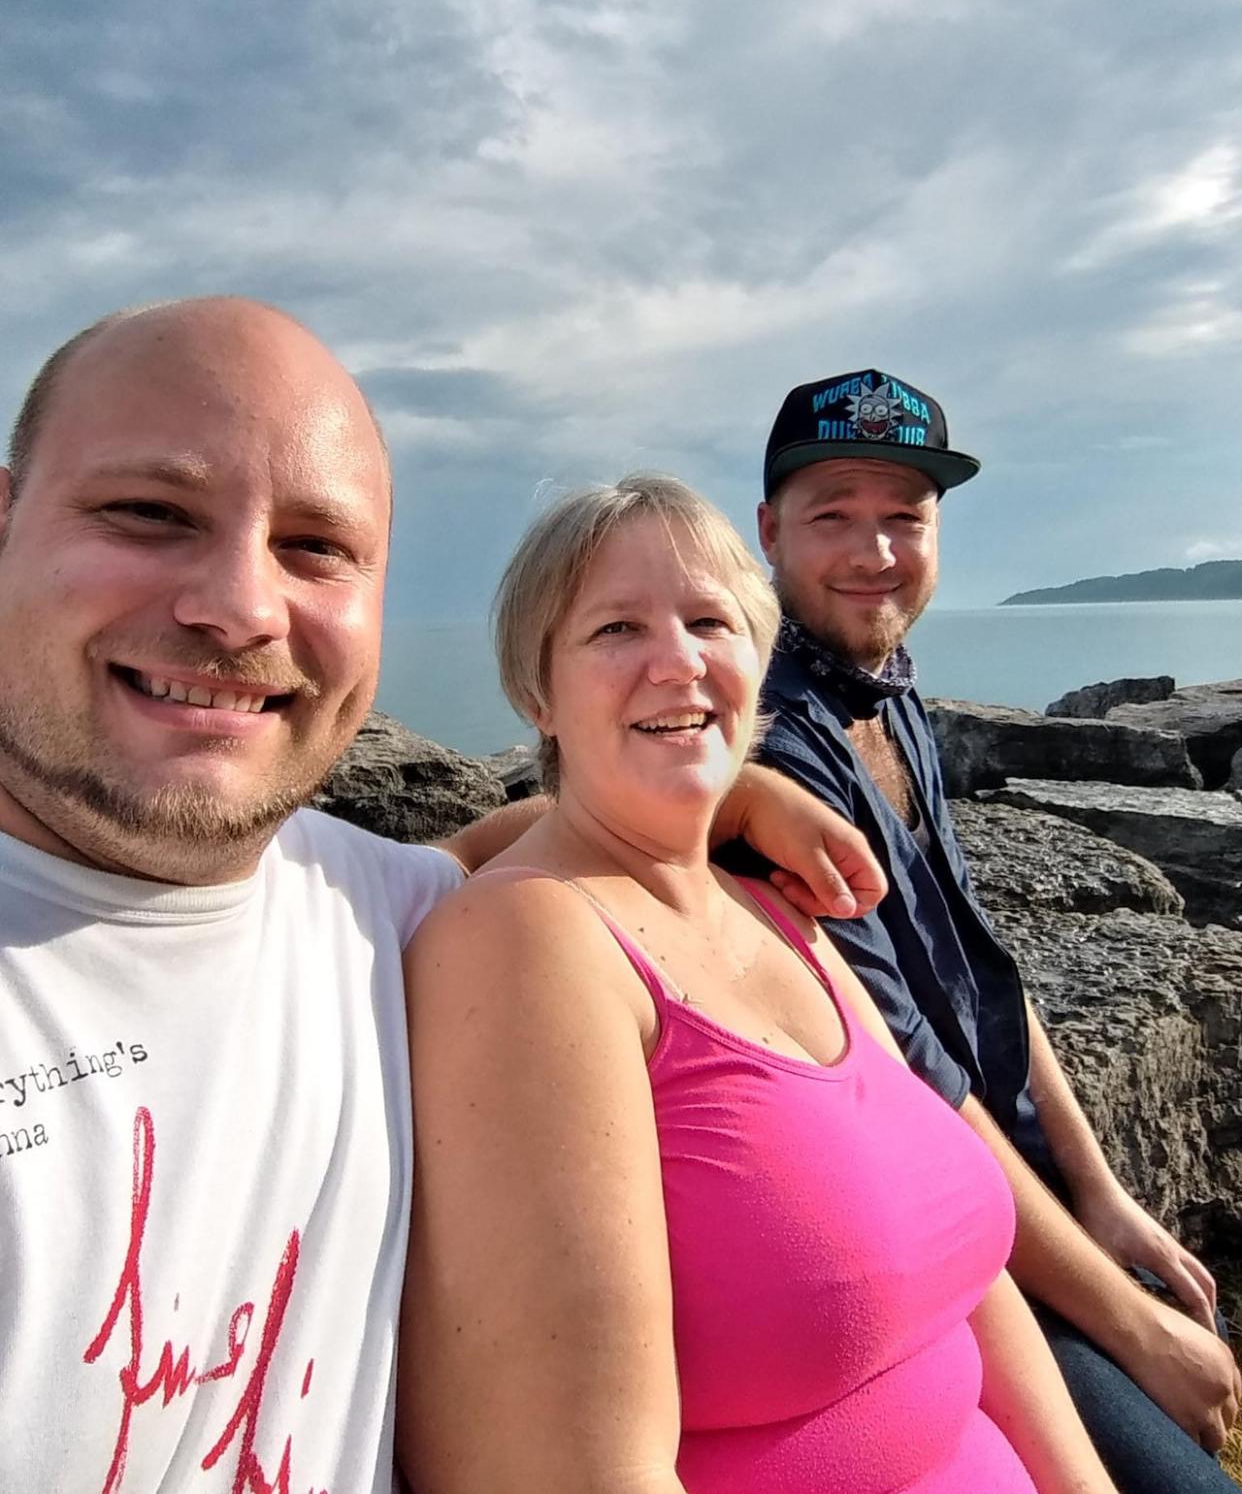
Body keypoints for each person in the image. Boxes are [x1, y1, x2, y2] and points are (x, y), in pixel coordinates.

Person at [0, 300, 885, 1493]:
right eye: (149, 513)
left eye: (317, 546)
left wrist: (724, 799)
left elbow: (526, 841)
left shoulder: (388, 905)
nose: (241, 606)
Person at [398, 473, 1118, 1493]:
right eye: (615, 630)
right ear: (535, 693)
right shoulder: (530, 940)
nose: (680, 660)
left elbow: (970, 1285)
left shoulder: (779, 909)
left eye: (711, 621)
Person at [747, 366, 1242, 1490]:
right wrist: (1126, 1322)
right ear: (770, 530)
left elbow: (984, 968)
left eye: (904, 519)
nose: (876, 553)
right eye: (835, 517)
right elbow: (917, 1088)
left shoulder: (892, 697)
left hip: (1020, 1187)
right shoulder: (774, 755)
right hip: (945, 1230)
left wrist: (1104, 1189)